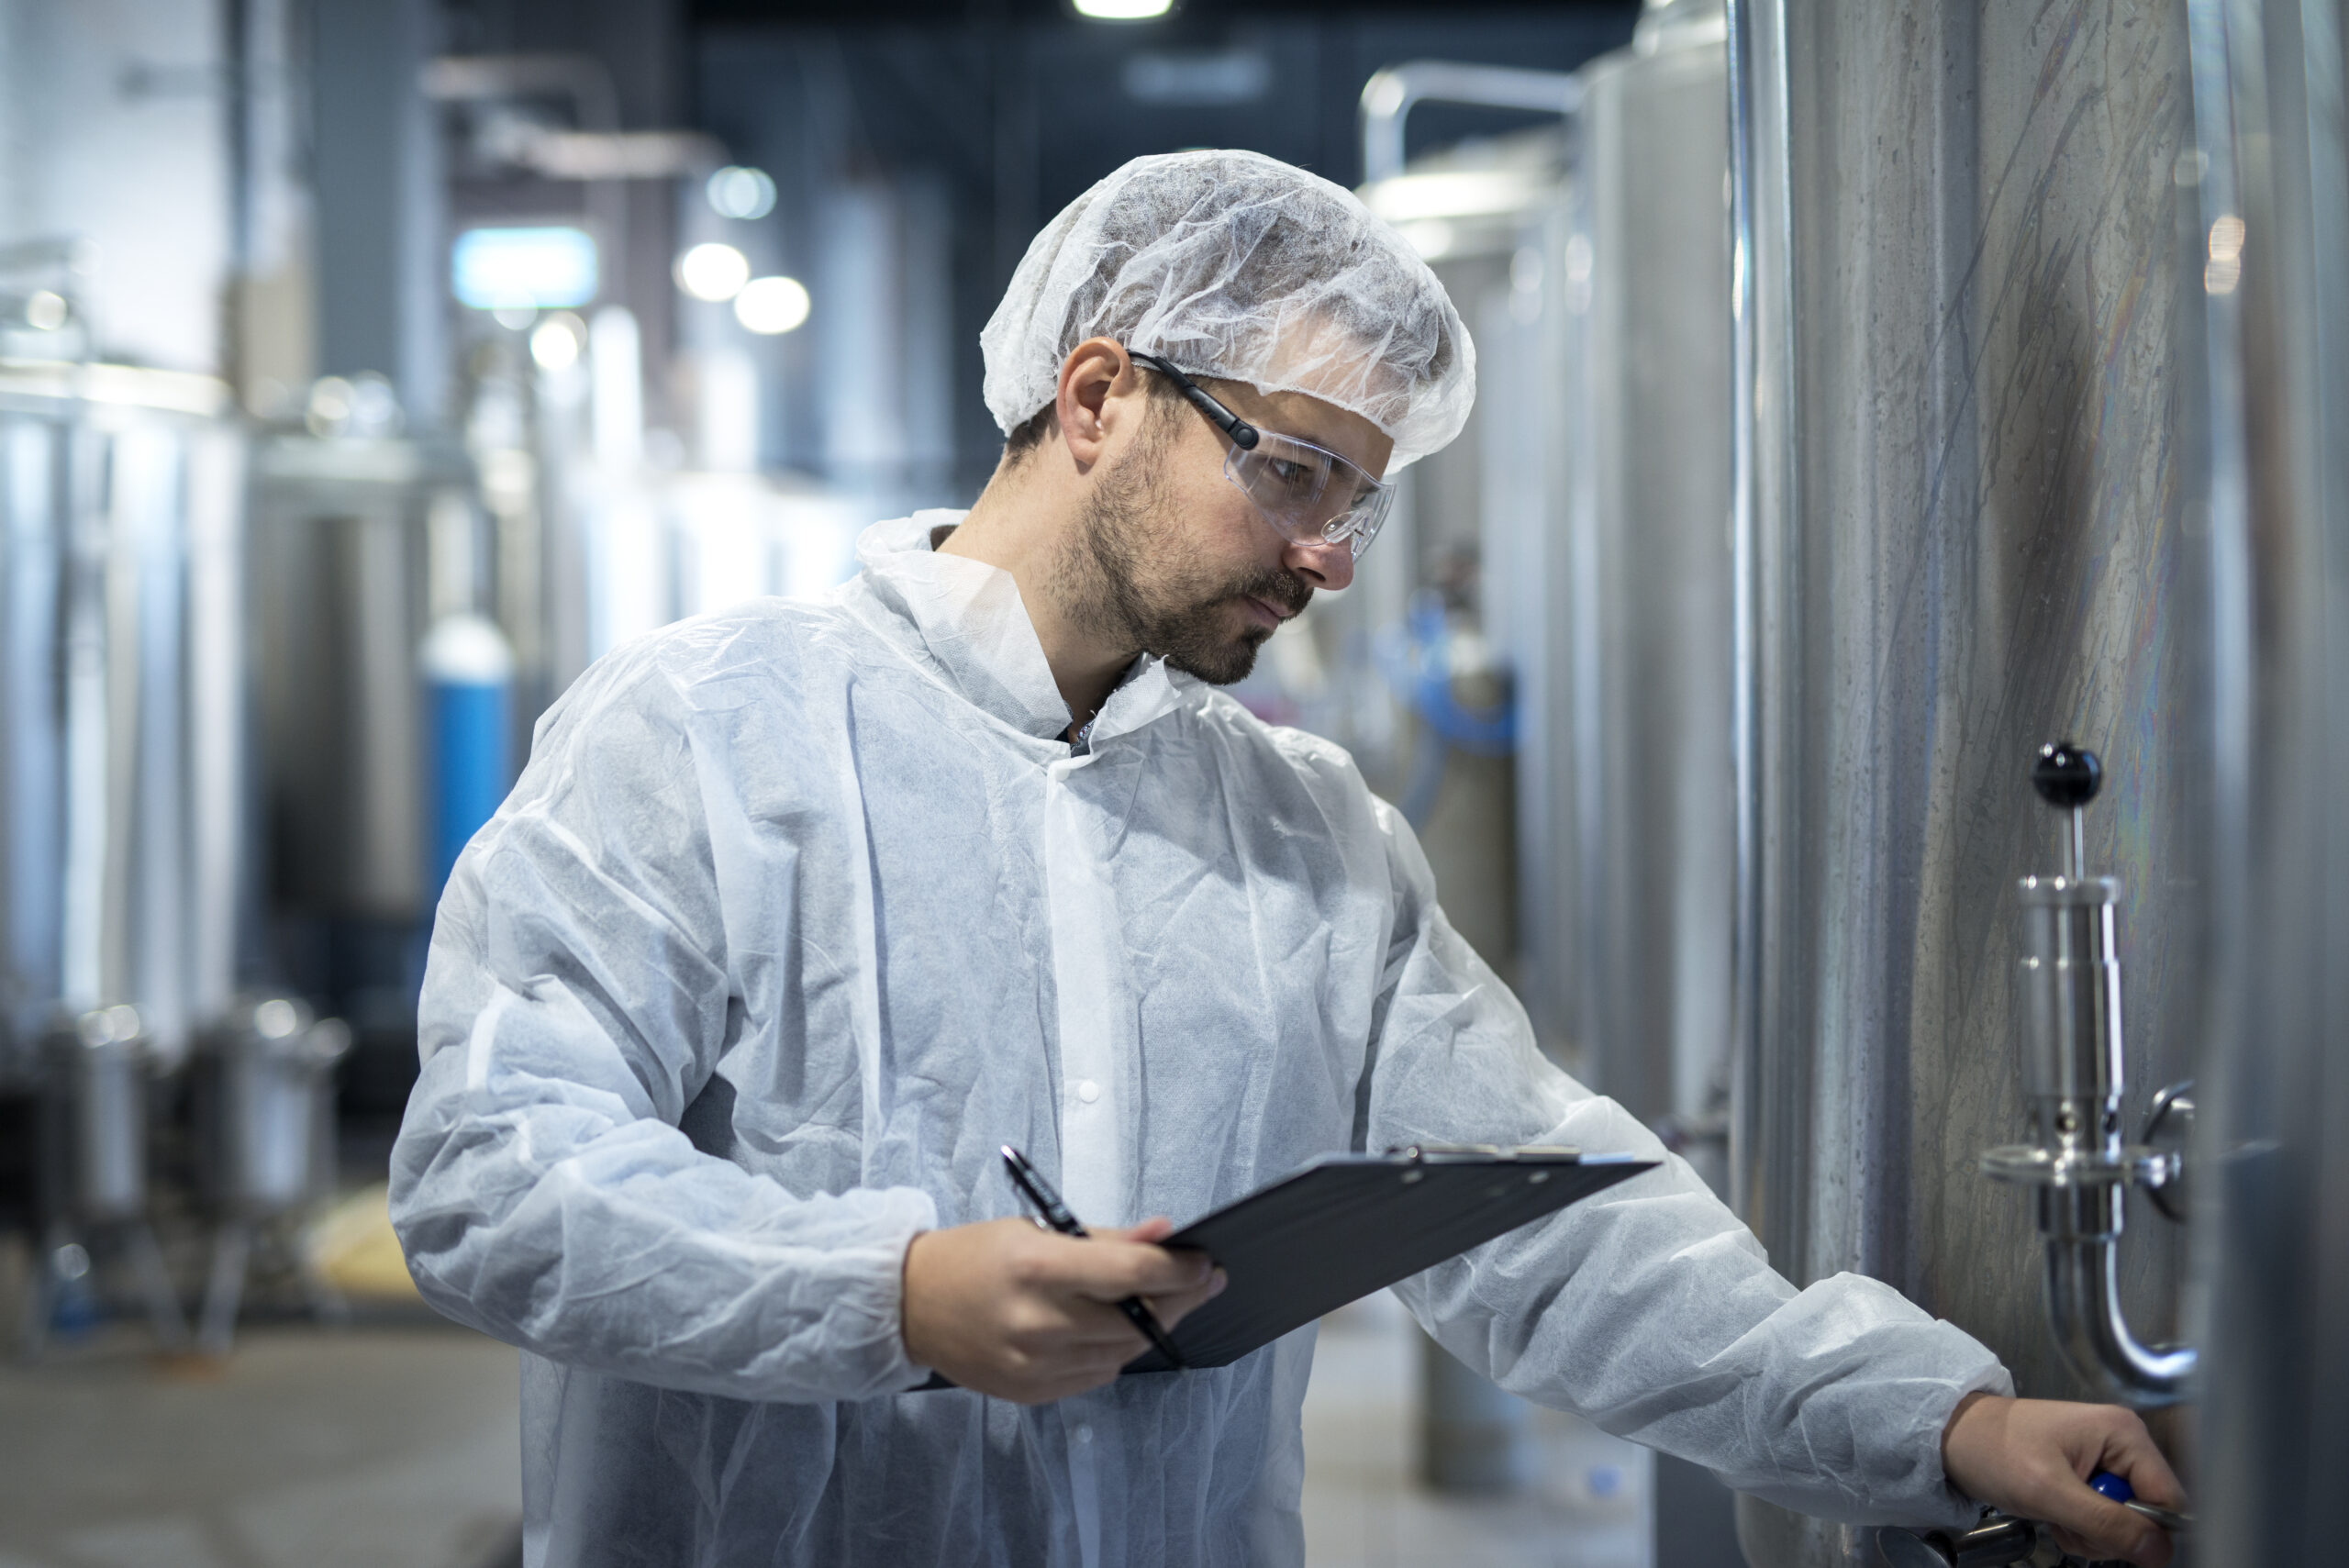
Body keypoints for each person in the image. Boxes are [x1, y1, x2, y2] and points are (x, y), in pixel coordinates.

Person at [390, 150, 2184, 1568]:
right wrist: (894, 1294)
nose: (1334, 556)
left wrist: (1932, 1426)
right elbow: (497, 1175)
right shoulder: (708, 733)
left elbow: (1544, 1223)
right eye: (1296, 473)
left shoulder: (1302, 833)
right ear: (1096, 397)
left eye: (1360, 497)